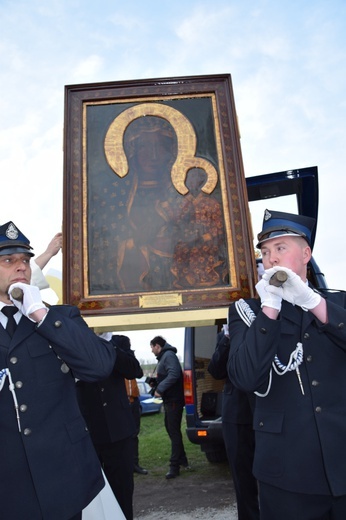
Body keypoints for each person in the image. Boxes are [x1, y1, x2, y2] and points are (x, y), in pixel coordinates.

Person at [227, 209, 346, 520]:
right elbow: (244, 378)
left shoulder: (337, 304)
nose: (272, 259)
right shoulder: (249, 312)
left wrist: (310, 301)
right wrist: (270, 309)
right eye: (265, 252)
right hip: (286, 471)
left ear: (306, 254)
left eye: (281, 248)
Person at [0, 220, 116, 520]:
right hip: (8, 484)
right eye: (8, 261)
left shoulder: (59, 317)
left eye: (25, 260)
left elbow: (99, 366)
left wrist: (40, 314)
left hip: (62, 475)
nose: (21, 267)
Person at [76, 334, 143, 520]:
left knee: (123, 490)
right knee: (91, 497)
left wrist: (107, 346)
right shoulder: (73, 338)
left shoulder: (118, 342)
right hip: (87, 431)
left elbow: (134, 370)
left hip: (119, 430)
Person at [208, 327, 260, 520]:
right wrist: (227, 338)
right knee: (242, 477)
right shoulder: (225, 335)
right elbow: (215, 371)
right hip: (237, 414)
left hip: (268, 410)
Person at [150, 335, 189, 479]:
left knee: (173, 431)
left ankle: (174, 466)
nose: (152, 351)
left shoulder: (168, 356)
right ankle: (183, 460)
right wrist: (156, 382)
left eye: (152, 348)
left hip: (174, 400)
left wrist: (160, 388)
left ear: (157, 346)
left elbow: (174, 375)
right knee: (171, 430)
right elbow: (168, 375)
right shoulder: (165, 357)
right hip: (170, 400)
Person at [125, 377, 149, 475]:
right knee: (124, 436)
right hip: (123, 403)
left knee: (135, 434)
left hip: (134, 401)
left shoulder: (130, 367)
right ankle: (126, 465)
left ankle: (135, 464)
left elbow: (138, 373)